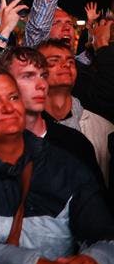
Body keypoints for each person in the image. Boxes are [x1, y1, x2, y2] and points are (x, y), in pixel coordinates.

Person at [0, 65, 114, 264]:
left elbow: (105, 235)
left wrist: (94, 258)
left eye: (13, 98)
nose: (8, 108)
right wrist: (32, 262)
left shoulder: (64, 165)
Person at [0, 46, 104, 187]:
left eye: (43, 76)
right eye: (28, 76)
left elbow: (95, 205)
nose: (41, 85)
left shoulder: (75, 143)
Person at [37, 39, 114, 184]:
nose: (66, 65)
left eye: (71, 61)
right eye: (54, 61)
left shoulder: (104, 130)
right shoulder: (24, 131)